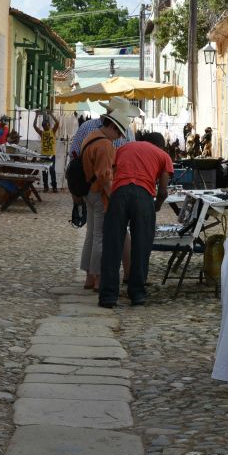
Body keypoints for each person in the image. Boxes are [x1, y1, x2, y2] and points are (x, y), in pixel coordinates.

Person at [99, 132, 174, 308]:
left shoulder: (124, 147)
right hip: (144, 196)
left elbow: (110, 171)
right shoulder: (163, 156)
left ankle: (108, 296)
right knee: (141, 245)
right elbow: (163, 191)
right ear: (160, 146)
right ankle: (137, 293)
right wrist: (156, 206)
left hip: (120, 193)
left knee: (112, 245)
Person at [79, 108, 134, 291]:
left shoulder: (91, 136)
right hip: (98, 192)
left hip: (88, 190)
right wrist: (114, 199)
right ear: (110, 125)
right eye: (117, 131)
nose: (118, 136)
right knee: (100, 237)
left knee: (91, 236)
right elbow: (105, 177)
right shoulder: (105, 145)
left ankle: (89, 277)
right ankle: (99, 280)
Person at [34, 111, 60, 193]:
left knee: (52, 170)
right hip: (44, 155)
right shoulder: (42, 133)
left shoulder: (52, 131)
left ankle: (54, 187)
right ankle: (46, 187)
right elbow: (34, 126)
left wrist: (51, 114)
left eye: (46, 125)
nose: (45, 127)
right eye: (44, 126)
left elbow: (57, 122)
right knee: (44, 171)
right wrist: (36, 116)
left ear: (49, 124)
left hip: (51, 155)